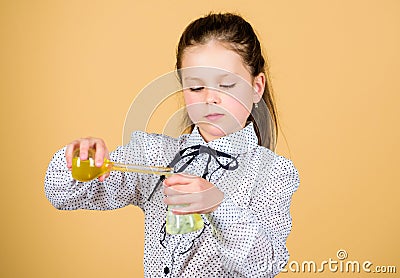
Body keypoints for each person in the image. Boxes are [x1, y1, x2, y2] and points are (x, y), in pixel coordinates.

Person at [44, 12, 300, 277]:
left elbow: (265, 267)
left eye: (226, 85)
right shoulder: (153, 154)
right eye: (196, 88)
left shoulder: (273, 172)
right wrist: (80, 160)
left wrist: (218, 206)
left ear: (256, 87)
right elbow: (62, 195)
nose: (210, 98)